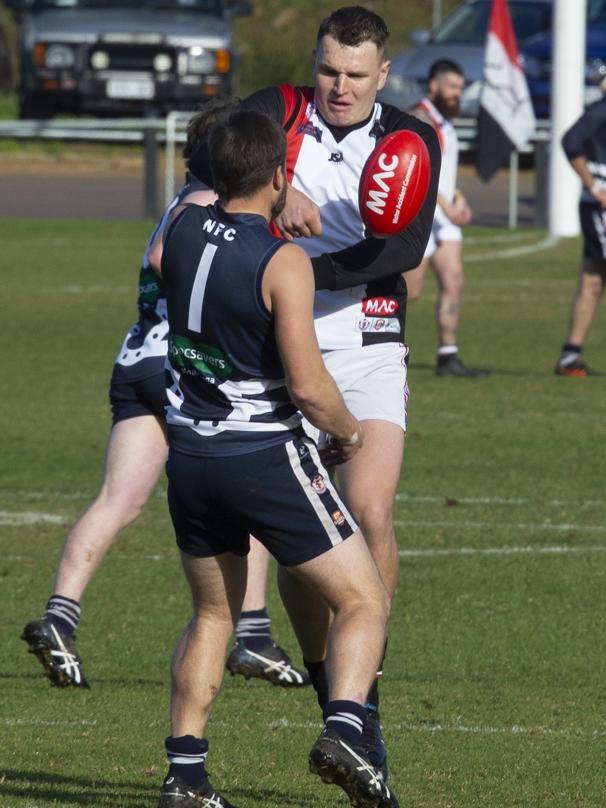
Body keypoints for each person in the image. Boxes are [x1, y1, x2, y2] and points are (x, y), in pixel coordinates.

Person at [219, 5, 440, 778]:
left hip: (371, 344)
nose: (339, 87)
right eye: (328, 70)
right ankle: (337, 697)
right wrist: (277, 202)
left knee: (370, 509)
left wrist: (300, 264)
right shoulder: (276, 112)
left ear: (383, 75)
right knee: (302, 544)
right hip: (280, 348)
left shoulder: (414, 138)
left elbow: (401, 249)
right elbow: (214, 155)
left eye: (355, 74)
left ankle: (364, 688)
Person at [21, 99, 307, 690]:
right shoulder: (204, 208)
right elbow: (165, 258)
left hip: (135, 361)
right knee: (243, 479)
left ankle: (60, 615)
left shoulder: (181, 202)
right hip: (176, 362)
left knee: (119, 499)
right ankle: (250, 635)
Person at [156, 109, 398, 808]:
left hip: (190, 454)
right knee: (362, 598)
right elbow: (309, 386)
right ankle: (347, 728)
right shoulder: (281, 259)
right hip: (259, 452)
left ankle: (186, 775)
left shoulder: (180, 228)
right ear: (278, 177)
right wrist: (348, 433)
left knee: (212, 615)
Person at [406, 59, 489, 377]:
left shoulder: (446, 121)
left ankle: (447, 355)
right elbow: (420, 172)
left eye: (460, 88)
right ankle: (373, 344)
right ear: (434, 86)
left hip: (444, 216)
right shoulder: (420, 118)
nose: (458, 94)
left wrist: (458, 200)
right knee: (410, 291)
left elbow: (445, 174)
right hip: (423, 214)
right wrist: (445, 203)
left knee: (453, 280)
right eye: (452, 87)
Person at [554, 80, 606, 377]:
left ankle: (570, 356)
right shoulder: (600, 111)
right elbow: (570, 141)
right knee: (593, 279)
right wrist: (594, 186)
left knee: (593, 280)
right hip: (600, 209)